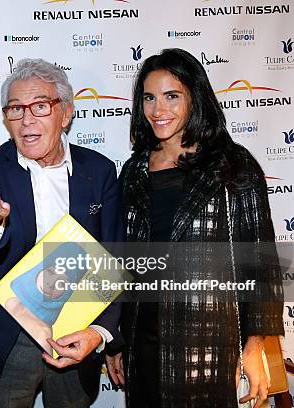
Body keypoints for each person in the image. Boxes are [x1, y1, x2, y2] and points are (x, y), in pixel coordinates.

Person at [109, 48, 283, 408]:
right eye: (149, 98)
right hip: (142, 338)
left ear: (196, 98)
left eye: (172, 96)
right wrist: (115, 339)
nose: (159, 110)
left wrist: (255, 345)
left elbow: (261, 263)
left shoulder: (232, 165)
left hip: (207, 340)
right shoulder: (134, 170)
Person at [0, 58, 123, 407]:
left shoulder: (99, 171)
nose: (27, 119)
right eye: (15, 109)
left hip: (76, 331)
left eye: (40, 106)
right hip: (7, 337)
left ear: (66, 113)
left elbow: (114, 257)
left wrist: (99, 332)